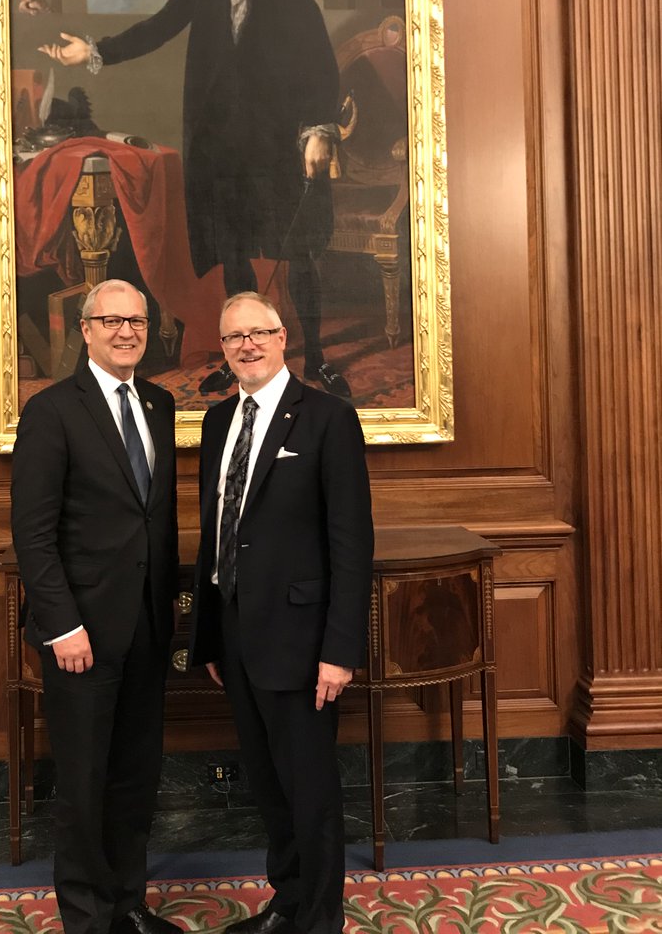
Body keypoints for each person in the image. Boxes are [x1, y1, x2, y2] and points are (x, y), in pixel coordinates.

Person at [39, 0, 351, 399]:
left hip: (278, 151)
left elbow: (321, 71)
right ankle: (240, 356)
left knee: (299, 253)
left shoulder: (295, 2)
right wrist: (93, 51)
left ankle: (315, 356)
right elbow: (153, 30)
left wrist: (319, 131)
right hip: (221, 154)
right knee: (234, 257)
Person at [188, 291, 374, 934]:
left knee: (309, 790)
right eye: (233, 337)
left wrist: (340, 650)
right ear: (223, 348)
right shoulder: (218, 422)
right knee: (267, 784)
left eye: (258, 333)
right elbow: (217, 531)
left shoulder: (327, 418)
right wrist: (211, 636)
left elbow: (351, 542)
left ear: (282, 337)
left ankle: (320, 920)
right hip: (236, 632)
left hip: (303, 640)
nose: (247, 346)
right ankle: (288, 903)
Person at [11, 279, 179, 934]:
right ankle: (87, 919)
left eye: (137, 321)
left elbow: (154, 520)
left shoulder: (159, 404)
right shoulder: (52, 411)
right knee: (83, 784)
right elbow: (33, 534)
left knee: (136, 777)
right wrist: (62, 625)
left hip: (147, 627)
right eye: (111, 321)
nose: (126, 332)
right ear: (85, 330)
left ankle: (129, 906)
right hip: (81, 634)